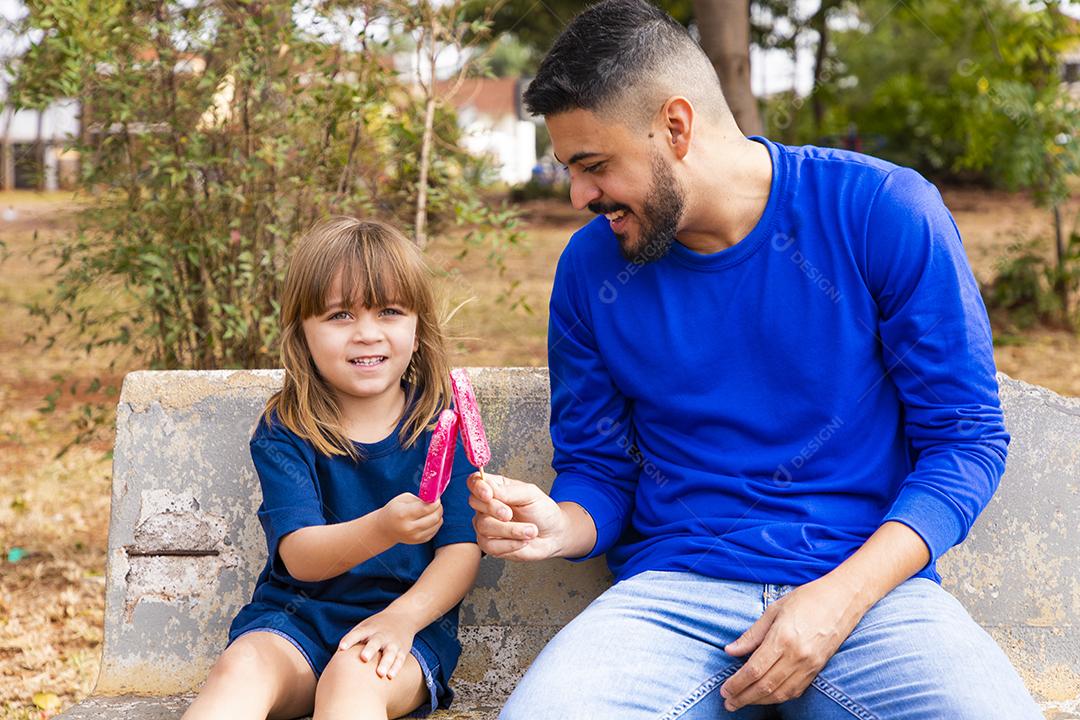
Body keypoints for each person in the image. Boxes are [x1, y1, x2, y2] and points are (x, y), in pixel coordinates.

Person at [467, 1, 1043, 718]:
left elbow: (966, 440)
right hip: (673, 597)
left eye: (594, 166)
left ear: (676, 126)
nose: (580, 196)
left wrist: (838, 599)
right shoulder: (592, 270)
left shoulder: (882, 211)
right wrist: (561, 524)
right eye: (571, 171)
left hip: (869, 595)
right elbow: (601, 470)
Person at [183, 218, 481, 720]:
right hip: (296, 623)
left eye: (389, 311)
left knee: (352, 678)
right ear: (303, 331)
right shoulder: (286, 429)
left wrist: (401, 619)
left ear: (417, 326)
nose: (367, 334)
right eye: (340, 315)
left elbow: (459, 553)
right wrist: (383, 528)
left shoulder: (441, 426)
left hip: (403, 633)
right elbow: (301, 557)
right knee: (241, 668)